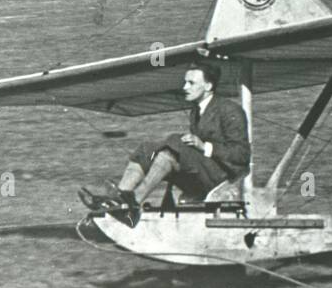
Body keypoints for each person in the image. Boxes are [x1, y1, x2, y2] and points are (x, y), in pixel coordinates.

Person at [80, 61, 250, 225]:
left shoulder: (229, 109)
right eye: (185, 82)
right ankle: (121, 197)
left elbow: (242, 154)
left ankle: (134, 204)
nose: (185, 87)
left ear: (208, 86)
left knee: (174, 144)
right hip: (202, 173)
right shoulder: (196, 111)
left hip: (223, 180)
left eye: (191, 83)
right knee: (146, 149)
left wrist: (204, 147)